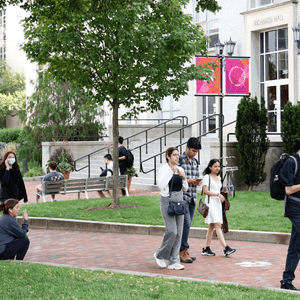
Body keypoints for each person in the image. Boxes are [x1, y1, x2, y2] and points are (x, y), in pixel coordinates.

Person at [154, 147, 188, 270]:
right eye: (174, 155)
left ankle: (174, 261)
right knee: (172, 231)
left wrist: (183, 176)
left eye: (178, 155)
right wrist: (171, 172)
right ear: (168, 156)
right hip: (167, 201)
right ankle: (159, 254)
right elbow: (161, 185)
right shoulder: (163, 169)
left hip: (179, 202)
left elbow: (186, 188)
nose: (177, 157)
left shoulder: (180, 169)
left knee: (179, 233)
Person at [201, 159, 236, 257]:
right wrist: (217, 194)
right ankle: (226, 248)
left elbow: (218, 190)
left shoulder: (219, 178)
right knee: (218, 225)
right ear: (210, 167)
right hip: (210, 203)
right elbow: (205, 191)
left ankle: (206, 248)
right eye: (215, 166)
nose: (217, 168)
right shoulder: (206, 177)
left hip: (217, 204)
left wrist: (224, 192)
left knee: (211, 226)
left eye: (218, 166)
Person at [279, 138, 300, 291]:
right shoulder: (291, 162)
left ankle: (286, 281)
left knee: (295, 246)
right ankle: (286, 280)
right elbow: (288, 190)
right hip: (294, 207)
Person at [178, 137, 202, 263]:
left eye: (196, 151)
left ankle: (183, 250)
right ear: (187, 148)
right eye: (193, 150)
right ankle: (183, 250)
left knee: (188, 224)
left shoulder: (195, 162)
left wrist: (197, 181)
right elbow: (176, 178)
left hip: (193, 196)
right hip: (182, 197)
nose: (194, 153)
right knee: (186, 223)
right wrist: (188, 181)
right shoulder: (180, 160)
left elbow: (195, 176)